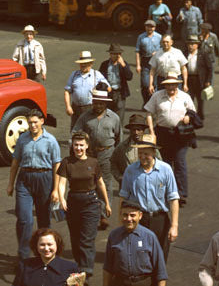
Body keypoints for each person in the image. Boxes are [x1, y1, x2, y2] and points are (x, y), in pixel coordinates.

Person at [7, 108, 62, 261]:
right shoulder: (23, 139)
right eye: (30, 122)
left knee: (44, 220)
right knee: (25, 219)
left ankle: (45, 254)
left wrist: (56, 189)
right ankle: (23, 256)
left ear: (42, 121)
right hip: (25, 179)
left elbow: (57, 166)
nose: (32, 125)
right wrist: (10, 184)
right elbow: (15, 162)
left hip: (45, 178)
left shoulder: (50, 141)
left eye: (35, 122)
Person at [56, 130, 110, 275]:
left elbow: (100, 184)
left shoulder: (93, 162)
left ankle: (86, 271)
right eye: (75, 145)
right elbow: (62, 183)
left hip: (91, 203)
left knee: (87, 238)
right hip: (73, 201)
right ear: (72, 146)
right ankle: (80, 265)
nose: (78, 148)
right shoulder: (67, 162)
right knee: (75, 238)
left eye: (81, 145)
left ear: (87, 146)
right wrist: (62, 199)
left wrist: (107, 203)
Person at [119, 137, 178, 258]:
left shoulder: (165, 170)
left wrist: (174, 226)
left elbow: (173, 199)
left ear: (154, 153)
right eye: (140, 153)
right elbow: (123, 199)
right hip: (139, 220)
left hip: (160, 220)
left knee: (160, 256)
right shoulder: (130, 171)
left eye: (146, 153)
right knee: (139, 255)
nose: (142, 156)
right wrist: (121, 223)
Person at [143, 74, 199, 203]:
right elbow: (149, 113)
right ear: (164, 85)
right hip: (163, 133)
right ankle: (166, 192)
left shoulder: (185, 97)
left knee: (180, 162)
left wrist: (188, 118)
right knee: (164, 164)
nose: (171, 87)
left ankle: (181, 193)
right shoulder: (157, 96)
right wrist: (151, 131)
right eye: (168, 84)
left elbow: (193, 112)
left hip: (181, 134)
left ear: (178, 84)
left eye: (173, 84)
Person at [71, 87, 122, 229]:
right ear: (92, 102)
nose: (98, 105)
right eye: (96, 102)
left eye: (101, 103)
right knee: (91, 183)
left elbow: (118, 138)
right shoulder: (85, 117)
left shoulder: (114, 117)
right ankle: (92, 212)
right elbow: (75, 131)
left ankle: (104, 214)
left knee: (105, 183)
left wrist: (114, 154)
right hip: (90, 155)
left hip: (107, 154)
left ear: (106, 103)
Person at [63, 50, 108, 129]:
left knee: (89, 128)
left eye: (85, 63)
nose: (83, 65)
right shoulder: (74, 75)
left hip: (90, 107)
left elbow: (108, 88)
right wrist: (68, 106)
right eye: (81, 63)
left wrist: (100, 88)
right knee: (75, 129)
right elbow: (67, 91)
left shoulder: (96, 74)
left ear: (91, 64)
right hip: (75, 108)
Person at [99, 43, 134, 128]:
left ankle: (118, 137)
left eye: (118, 54)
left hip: (120, 93)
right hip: (109, 93)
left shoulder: (123, 64)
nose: (117, 56)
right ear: (110, 54)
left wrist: (123, 65)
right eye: (114, 53)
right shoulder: (105, 64)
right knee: (107, 115)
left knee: (119, 118)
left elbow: (129, 77)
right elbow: (99, 79)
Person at [185, 37, 213, 121]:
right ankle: (191, 115)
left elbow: (210, 68)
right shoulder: (185, 54)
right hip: (189, 78)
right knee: (189, 98)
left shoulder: (203, 54)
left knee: (200, 99)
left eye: (193, 44)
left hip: (199, 79)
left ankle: (200, 115)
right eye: (189, 44)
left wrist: (208, 80)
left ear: (197, 45)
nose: (191, 46)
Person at [134, 19, 161, 103]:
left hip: (156, 61)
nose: (150, 28)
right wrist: (138, 65)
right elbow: (137, 51)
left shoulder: (159, 37)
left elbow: (163, 49)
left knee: (155, 84)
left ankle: (154, 102)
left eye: (152, 27)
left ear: (155, 28)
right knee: (145, 84)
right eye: (148, 26)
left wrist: (157, 52)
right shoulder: (141, 37)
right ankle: (146, 101)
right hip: (145, 61)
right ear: (145, 27)